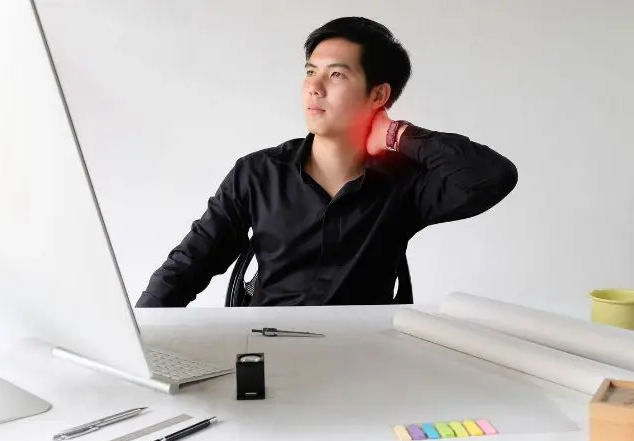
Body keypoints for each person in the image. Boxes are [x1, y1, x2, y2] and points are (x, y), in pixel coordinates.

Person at [136, 17, 517, 308]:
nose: (314, 87)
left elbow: (491, 176)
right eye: (309, 72)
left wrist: (396, 135)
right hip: (269, 350)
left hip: (367, 358)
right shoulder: (257, 173)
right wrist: (142, 337)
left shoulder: (404, 184)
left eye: (336, 74)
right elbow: (190, 264)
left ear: (377, 94)